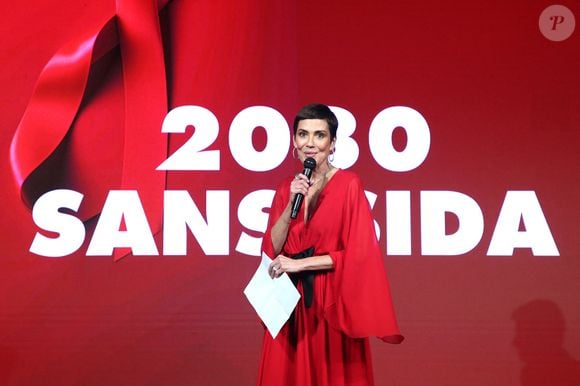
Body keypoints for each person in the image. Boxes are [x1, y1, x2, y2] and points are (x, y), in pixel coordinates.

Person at [258, 103, 403, 386]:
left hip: (330, 301)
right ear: (294, 142)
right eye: (303, 134)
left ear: (333, 143)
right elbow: (272, 249)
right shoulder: (286, 187)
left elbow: (358, 255)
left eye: (319, 135)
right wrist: (290, 206)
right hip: (289, 302)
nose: (310, 143)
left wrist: (299, 263)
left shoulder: (349, 184)